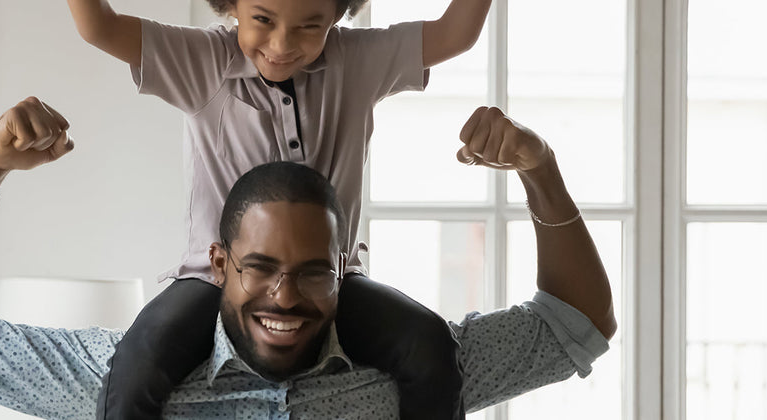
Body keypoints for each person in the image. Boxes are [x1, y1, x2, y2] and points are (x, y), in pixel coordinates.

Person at [0, 97, 617, 419]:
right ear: (218, 264)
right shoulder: (128, 381)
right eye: (261, 267)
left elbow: (577, 324)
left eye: (311, 272)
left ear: (345, 272)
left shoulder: (410, 374)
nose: (285, 297)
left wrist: (539, 167)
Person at [63, 0, 495, 416]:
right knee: (136, 364)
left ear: (338, 13)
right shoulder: (201, 62)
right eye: (263, 19)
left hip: (332, 281)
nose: (283, 43)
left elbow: (454, 33)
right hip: (212, 283)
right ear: (231, 5)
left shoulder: (360, 61)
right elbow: (98, 26)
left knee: (431, 345)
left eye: (310, 25)